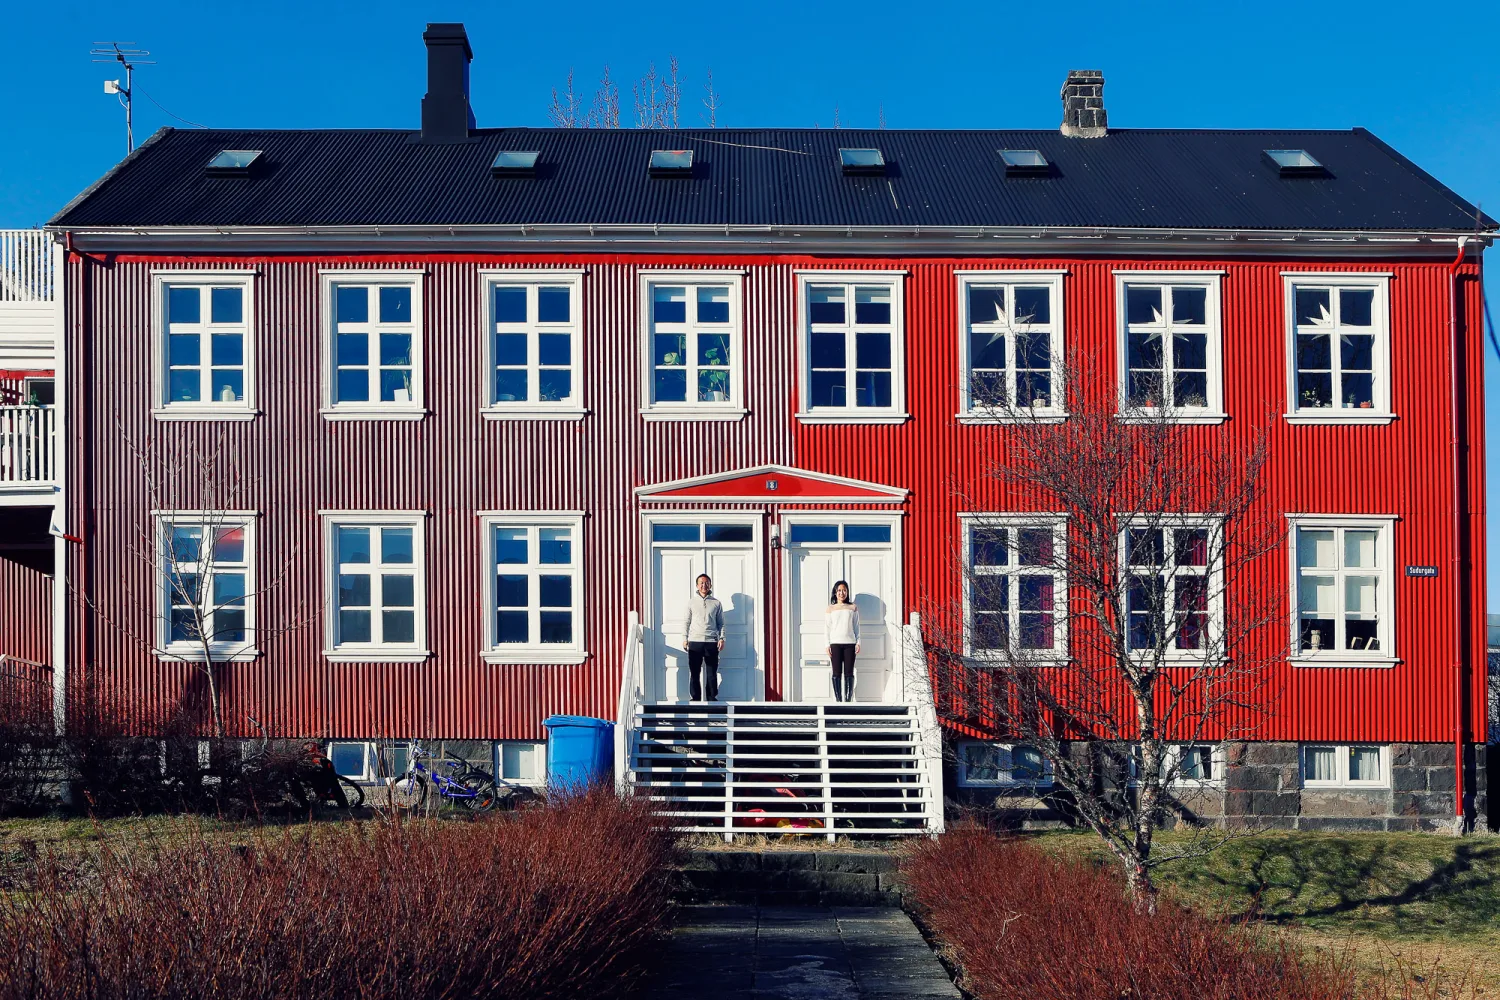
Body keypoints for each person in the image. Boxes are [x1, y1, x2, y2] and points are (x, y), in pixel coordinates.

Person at [685, 573, 725, 701]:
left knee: (711, 674)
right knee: (695, 673)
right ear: (697, 585)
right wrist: (684, 638)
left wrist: (722, 638)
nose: (704, 585)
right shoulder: (691, 602)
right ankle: (695, 700)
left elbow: (721, 623)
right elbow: (686, 621)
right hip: (695, 642)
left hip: (711, 642)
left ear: (710, 585)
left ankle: (712, 699)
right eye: (701, 583)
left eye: (707, 582)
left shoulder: (716, 603)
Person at [826, 580, 860, 703]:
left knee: (849, 673)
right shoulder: (831, 609)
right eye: (839, 590)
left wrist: (858, 642)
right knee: (836, 672)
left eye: (844, 590)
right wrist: (827, 644)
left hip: (850, 644)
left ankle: (848, 699)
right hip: (835, 643)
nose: (842, 593)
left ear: (847, 592)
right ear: (835, 592)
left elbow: (856, 627)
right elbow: (827, 628)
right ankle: (839, 700)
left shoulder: (853, 608)